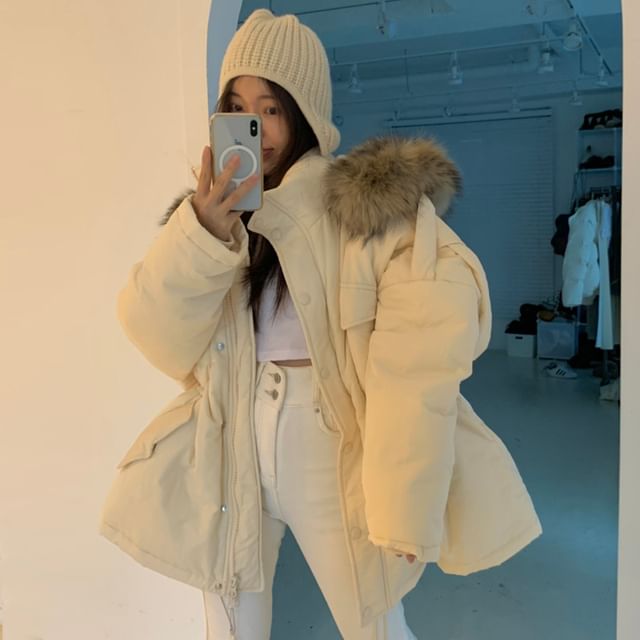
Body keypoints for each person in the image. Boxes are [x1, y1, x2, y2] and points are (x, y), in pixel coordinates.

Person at [100, 9, 542, 640]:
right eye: (237, 107)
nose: (257, 128)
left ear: (305, 113)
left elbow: (418, 359)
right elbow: (157, 334)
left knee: (374, 624)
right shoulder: (216, 216)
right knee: (230, 626)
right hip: (235, 435)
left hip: (328, 443)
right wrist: (202, 230)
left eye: (272, 108)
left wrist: (404, 502)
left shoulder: (365, 209)